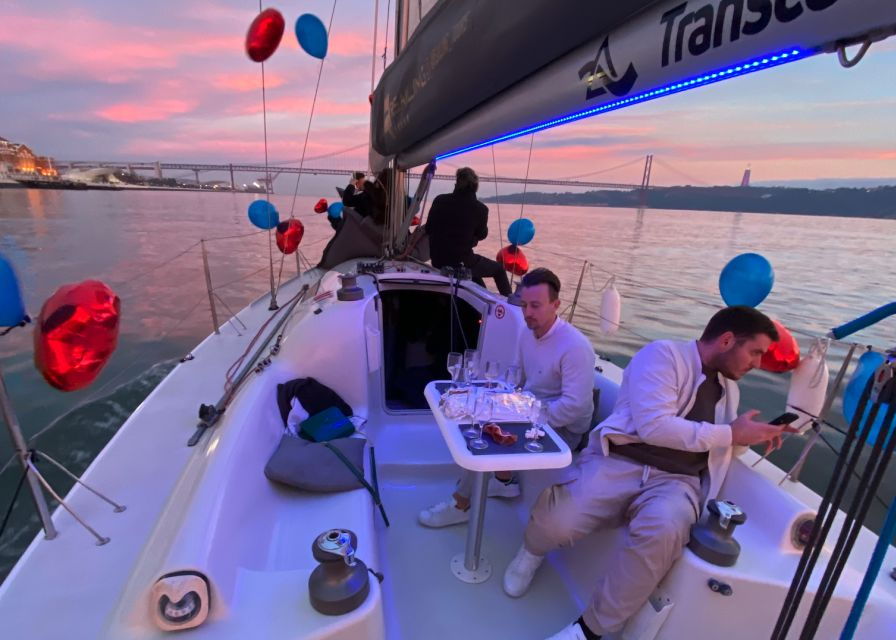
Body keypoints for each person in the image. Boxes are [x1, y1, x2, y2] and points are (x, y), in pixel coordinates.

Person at [502, 306, 795, 640]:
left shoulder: (730, 390)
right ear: (727, 340)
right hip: (621, 461)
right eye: (755, 352)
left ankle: (588, 632)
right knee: (559, 520)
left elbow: (720, 442)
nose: (756, 363)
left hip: (677, 482)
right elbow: (654, 426)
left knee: (664, 530)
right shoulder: (663, 356)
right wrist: (731, 434)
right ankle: (531, 553)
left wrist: (751, 436)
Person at [418, 267, 595, 527]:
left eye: (536, 305)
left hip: (563, 430)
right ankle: (504, 482)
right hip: (529, 411)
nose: (527, 313)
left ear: (556, 305)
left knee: (481, 437)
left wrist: (521, 418)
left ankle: (461, 504)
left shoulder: (575, 347)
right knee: (476, 413)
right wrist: (495, 402)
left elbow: (575, 408)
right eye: (524, 305)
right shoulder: (527, 332)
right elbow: (518, 381)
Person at [421, 167, 512, 296]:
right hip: (462, 262)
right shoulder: (481, 209)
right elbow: (482, 234)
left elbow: (429, 228)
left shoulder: (439, 200)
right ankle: (512, 307)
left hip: (437, 261)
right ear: (475, 187)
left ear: (456, 184)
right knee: (499, 270)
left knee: (477, 279)